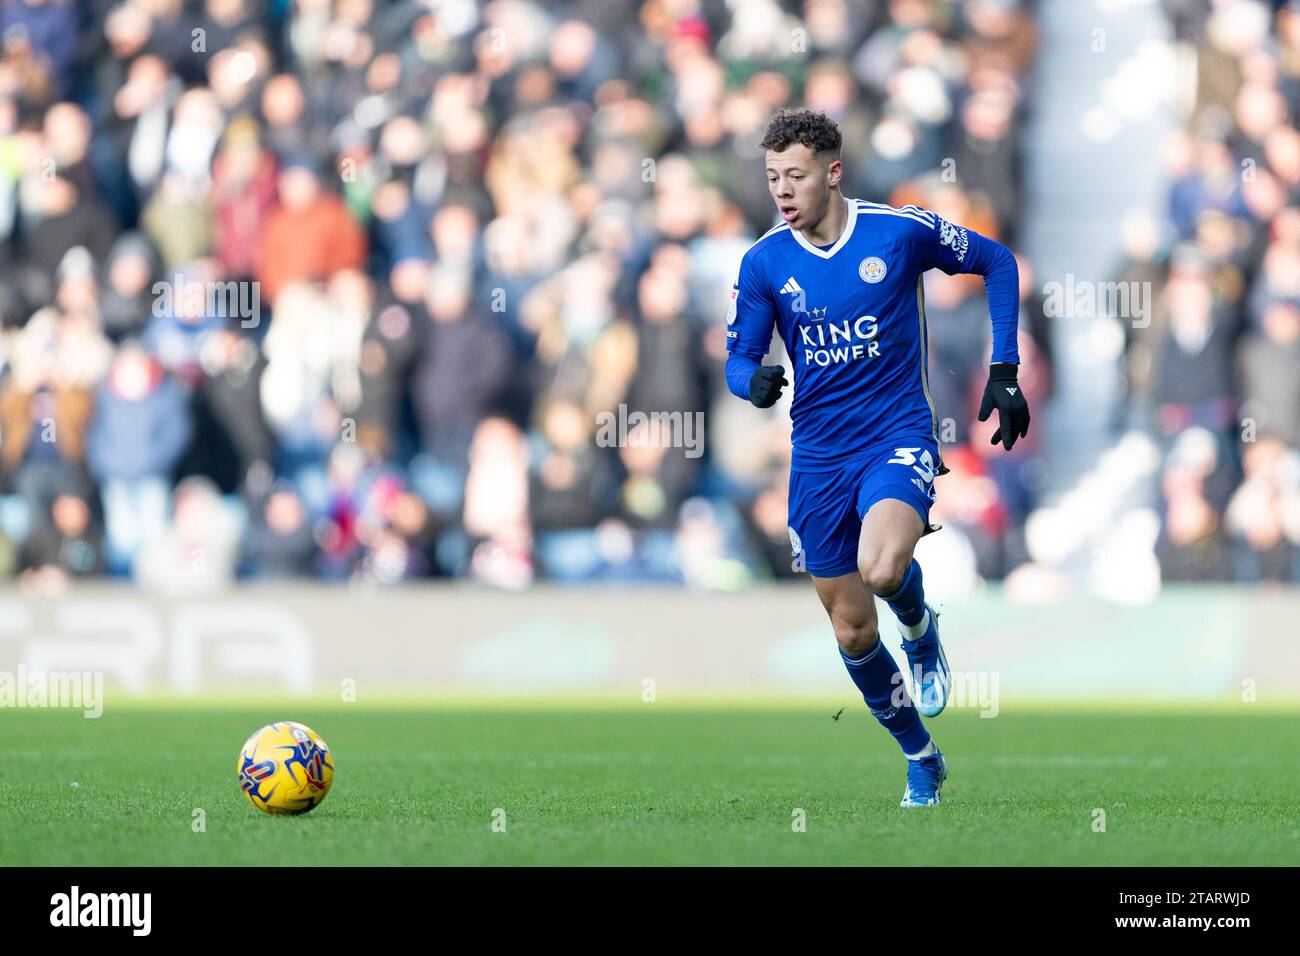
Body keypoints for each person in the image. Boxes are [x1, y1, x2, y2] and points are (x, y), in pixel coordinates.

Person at [723, 109, 1031, 807]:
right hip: (817, 458)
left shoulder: (898, 232)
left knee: (883, 564)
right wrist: (754, 382)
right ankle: (921, 755)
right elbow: (739, 360)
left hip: (897, 435)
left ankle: (921, 630)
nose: (782, 190)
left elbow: (997, 262)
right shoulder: (765, 261)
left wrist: (1004, 368)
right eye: (773, 177)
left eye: (795, 175)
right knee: (852, 626)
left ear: (833, 172)